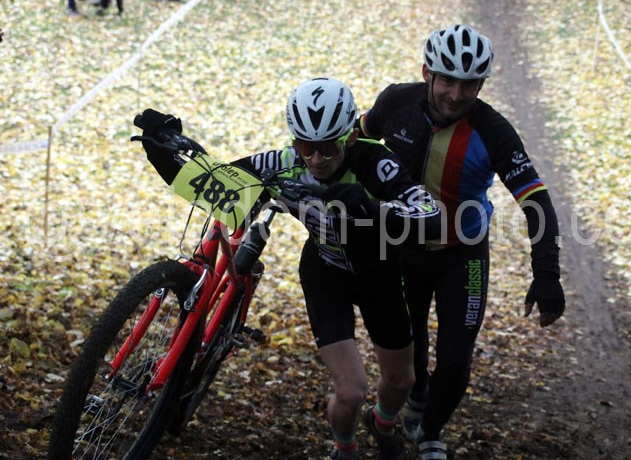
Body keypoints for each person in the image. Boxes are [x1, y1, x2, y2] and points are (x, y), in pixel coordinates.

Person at [134, 78, 444, 460]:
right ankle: (345, 449)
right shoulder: (284, 163)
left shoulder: (376, 162)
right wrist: (158, 152)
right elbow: (217, 185)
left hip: (379, 276)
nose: (316, 159)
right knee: (351, 392)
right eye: (305, 145)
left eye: (327, 147)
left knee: (401, 381)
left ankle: (382, 423)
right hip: (325, 274)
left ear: (350, 136)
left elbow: (431, 216)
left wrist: (372, 208)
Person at [357, 24, 565, 459]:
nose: (456, 94)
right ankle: (416, 399)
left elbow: (536, 200)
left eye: (469, 84)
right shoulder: (396, 102)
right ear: (427, 73)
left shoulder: (493, 129)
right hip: (400, 250)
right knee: (410, 353)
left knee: (455, 359)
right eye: (447, 80)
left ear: (481, 84)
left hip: (463, 256)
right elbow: (350, 145)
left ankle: (430, 430)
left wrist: (546, 274)